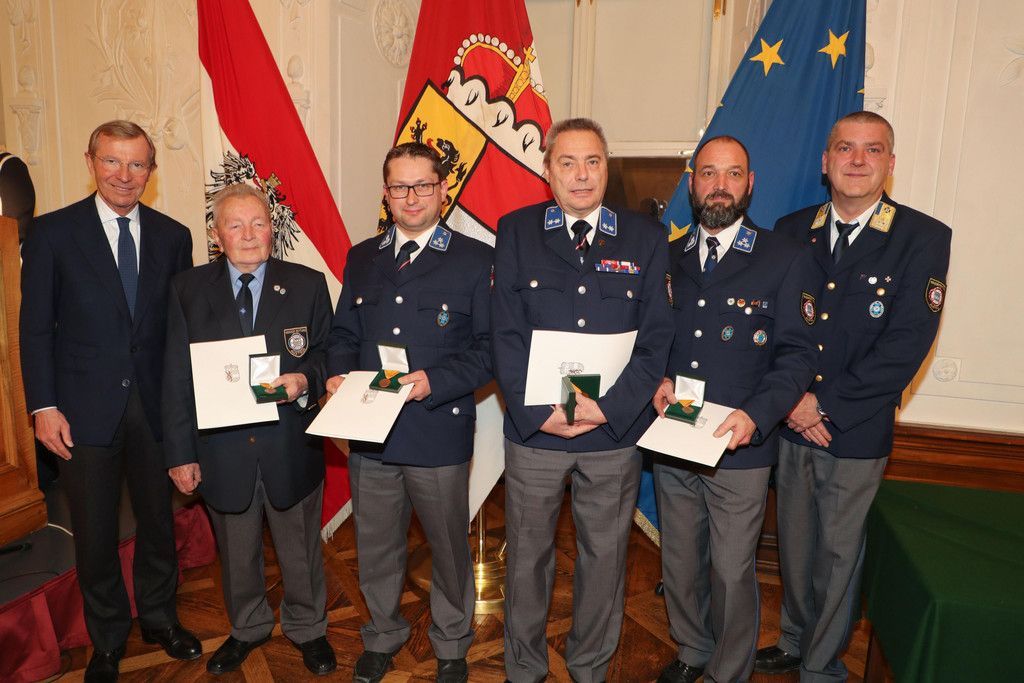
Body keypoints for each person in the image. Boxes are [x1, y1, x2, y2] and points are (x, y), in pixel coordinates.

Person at [755, 111, 952, 681]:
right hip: (790, 420)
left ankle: (822, 667)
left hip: (855, 427)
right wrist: (792, 401)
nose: (858, 160)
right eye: (845, 148)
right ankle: (795, 640)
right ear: (826, 161)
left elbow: (906, 344)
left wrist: (823, 405)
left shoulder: (922, 237)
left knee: (839, 554)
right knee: (795, 545)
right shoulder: (791, 230)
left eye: (873, 150)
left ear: (890, 164)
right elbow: (770, 324)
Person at [492, 117, 673, 683]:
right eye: (567, 162)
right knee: (527, 558)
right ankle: (523, 667)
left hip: (611, 434)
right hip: (536, 432)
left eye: (592, 161)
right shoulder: (516, 231)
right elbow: (504, 332)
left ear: (606, 167)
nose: (581, 174)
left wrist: (606, 409)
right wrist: (536, 414)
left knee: (605, 558)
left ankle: (589, 665)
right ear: (547, 170)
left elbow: (656, 339)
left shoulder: (645, 237)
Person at [19, 120, 198, 682]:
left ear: (151, 170)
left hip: (155, 408)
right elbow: (35, 329)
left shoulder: (174, 236)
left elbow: (179, 331)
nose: (125, 175)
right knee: (95, 532)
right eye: (112, 161)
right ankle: (107, 639)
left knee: (158, 522)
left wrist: (186, 410)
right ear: (91, 162)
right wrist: (43, 405)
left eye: (137, 164)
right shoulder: (52, 233)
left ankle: (161, 618)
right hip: (79, 411)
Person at [651, 136, 817, 683]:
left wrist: (757, 415)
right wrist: (657, 380)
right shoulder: (666, 256)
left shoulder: (783, 257)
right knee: (679, 560)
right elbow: (649, 339)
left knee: (730, 569)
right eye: (708, 173)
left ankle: (728, 671)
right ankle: (693, 648)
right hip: (675, 436)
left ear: (750, 184)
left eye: (733, 174)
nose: (720, 185)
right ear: (691, 183)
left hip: (740, 444)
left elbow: (798, 355)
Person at [326, 142, 492, 683]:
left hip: (436, 430)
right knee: (375, 546)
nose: (412, 196)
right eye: (400, 186)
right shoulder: (363, 258)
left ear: (443, 190)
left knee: (447, 547)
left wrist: (434, 381)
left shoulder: (475, 260)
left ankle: (452, 642)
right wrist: (336, 375)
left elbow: (489, 350)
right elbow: (344, 334)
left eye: (423, 185)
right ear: (386, 193)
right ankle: (382, 634)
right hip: (370, 432)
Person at [162, 183, 336, 676]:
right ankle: (248, 627)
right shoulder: (186, 290)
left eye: (258, 223)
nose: (248, 234)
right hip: (222, 451)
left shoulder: (307, 284)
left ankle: (309, 628)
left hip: (290, 445)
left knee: (300, 549)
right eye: (235, 225)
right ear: (216, 235)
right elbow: (175, 376)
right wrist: (180, 453)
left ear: (271, 229)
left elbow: (330, 353)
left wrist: (305, 380)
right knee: (236, 553)